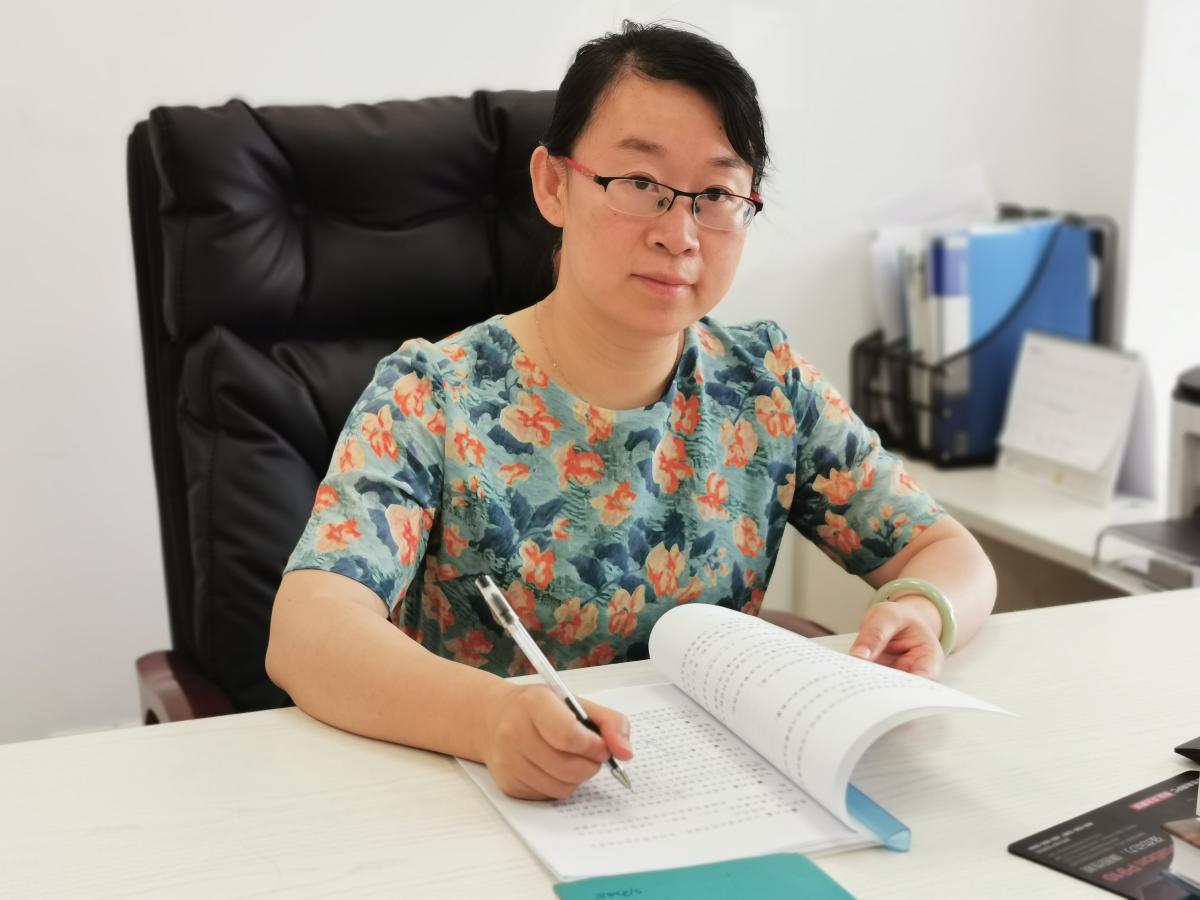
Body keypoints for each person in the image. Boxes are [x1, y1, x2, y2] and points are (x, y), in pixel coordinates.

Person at [265, 21, 996, 802]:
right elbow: (308, 633)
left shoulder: (766, 386)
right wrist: (489, 720)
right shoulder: (433, 394)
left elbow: (947, 553)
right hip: (476, 797)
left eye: (717, 196)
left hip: (705, 799)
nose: (679, 235)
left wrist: (923, 610)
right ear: (554, 185)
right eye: (642, 183)